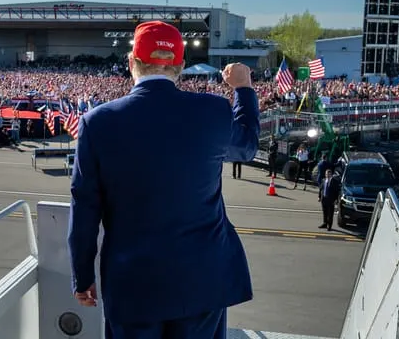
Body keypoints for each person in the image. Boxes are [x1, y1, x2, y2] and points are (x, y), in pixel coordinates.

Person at [68, 20, 259, 339]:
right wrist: (243, 88)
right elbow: (247, 146)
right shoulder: (213, 111)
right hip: (202, 280)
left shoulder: (97, 123)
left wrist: (82, 274)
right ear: (180, 66)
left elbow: (85, 209)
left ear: (131, 63)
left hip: (133, 284)